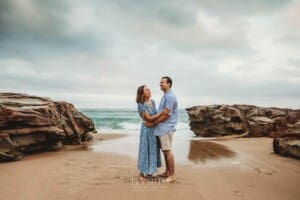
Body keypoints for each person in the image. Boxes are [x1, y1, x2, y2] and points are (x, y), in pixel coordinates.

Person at [145, 76, 178, 183]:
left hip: (166, 127)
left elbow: (167, 115)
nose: (160, 84)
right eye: (160, 82)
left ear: (169, 84)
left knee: (168, 151)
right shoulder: (165, 96)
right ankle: (168, 172)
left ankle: (172, 176)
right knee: (165, 151)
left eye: (163, 82)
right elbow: (163, 113)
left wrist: (153, 122)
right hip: (162, 127)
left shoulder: (170, 97)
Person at [136, 85, 168, 179]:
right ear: (142, 93)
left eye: (149, 89)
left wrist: (156, 121)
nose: (149, 91)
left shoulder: (153, 102)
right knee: (145, 149)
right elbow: (148, 118)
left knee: (153, 149)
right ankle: (142, 172)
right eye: (147, 90)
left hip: (153, 128)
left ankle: (151, 171)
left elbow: (155, 116)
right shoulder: (141, 104)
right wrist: (162, 113)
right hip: (146, 129)